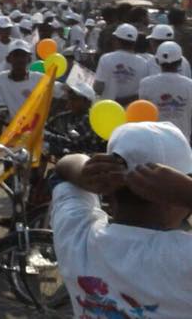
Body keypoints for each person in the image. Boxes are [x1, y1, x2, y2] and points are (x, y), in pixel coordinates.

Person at [51, 122, 192, 317]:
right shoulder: (184, 259)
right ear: (174, 199)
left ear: (107, 191)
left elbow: (62, 170)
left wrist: (86, 169)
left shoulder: (77, 236)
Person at [139, 42, 192, 141]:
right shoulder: (189, 85)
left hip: (155, 140)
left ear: (157, 61)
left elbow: (143, 115)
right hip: (182, 140)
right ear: (180, 62)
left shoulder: (145, 84)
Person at [95, 24, 151, 105]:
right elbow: (143, 92)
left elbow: (98, 88)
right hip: (132, 112)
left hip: (108, 109)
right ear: (134, 42)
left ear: (116, 40)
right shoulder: (144, 63)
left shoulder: (106, 59)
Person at [0, 40, 43, 121]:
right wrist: (2, 113)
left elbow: (61, 90)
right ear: (8, 59)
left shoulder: (39, 78)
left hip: (33, 130)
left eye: (23, 55)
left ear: (29, 59)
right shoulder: (1, 78)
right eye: (16, 55)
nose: (20, 59)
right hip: (10, 130)